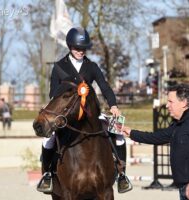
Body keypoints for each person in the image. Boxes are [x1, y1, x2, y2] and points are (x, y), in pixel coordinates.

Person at [37, 27, 131, 193]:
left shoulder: (91, 66)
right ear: (69, 46)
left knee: (118, 134)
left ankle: (122, 174)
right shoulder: (59, 67)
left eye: (83, 48)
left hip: (91, 113)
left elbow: (104, 86)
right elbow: (53, 92)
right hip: (68, 115)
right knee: (48, 139)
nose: (80, 51)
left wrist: (113, 105)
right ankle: (48, 174)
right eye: (77, 48)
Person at [122, 84, 189, 200]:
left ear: (184, 103)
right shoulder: (179, 124)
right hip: (185, 185)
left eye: (171, 102)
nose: (167, 105)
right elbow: (157, 137)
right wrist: (131, 133)